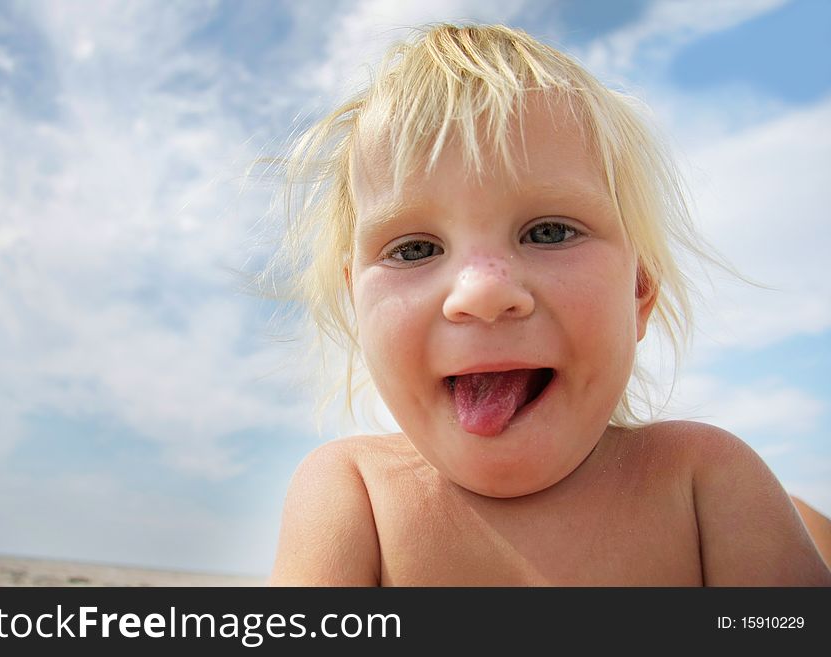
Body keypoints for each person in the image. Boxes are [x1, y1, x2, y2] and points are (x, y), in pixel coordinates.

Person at [264, 23, 831, 585]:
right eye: (414, 249)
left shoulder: (708, 484)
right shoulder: (353, 494)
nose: (481, 293)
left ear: (640, 290)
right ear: (357, 307)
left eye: (550, 233)